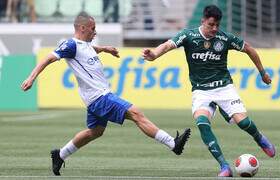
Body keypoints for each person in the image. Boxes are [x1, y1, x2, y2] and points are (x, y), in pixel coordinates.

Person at [21, 12, 191, 176]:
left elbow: (89, 49)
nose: (95, 32)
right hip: (100, 97)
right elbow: (48, 58)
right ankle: (173, 144)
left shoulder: (84, 45)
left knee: (95, 131)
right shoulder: (70, 45)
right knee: (136, 113)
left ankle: (60, 155)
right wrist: (31, 78)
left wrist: (104, 49)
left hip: (95, 98)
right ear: (82, 28)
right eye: (92, 28)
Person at [142, 5, 275, 177]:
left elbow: (249, 49)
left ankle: (259, 138)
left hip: (224, 88)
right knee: (202, 123)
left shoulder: (224, 38)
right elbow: (167, 45)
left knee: (242, 122)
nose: (214, 29)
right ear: (203, 20)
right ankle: (224, 166)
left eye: (217, 25)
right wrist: (153, 55)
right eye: (211, 24)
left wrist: (263, 73)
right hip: (201, 91)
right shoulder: (188, 36)